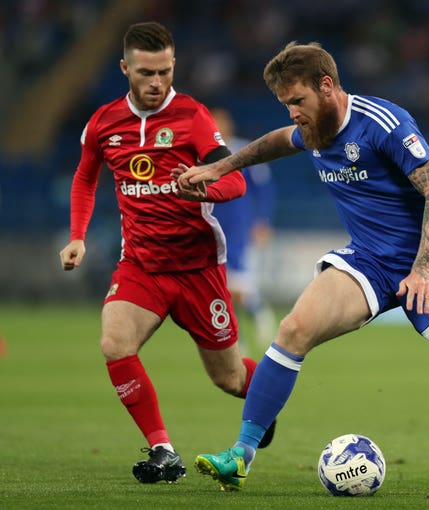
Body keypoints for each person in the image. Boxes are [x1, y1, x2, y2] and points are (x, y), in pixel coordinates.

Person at [173, 41, 429, 491]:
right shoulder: (313, 128)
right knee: (293, 329)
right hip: (368, 262)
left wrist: (421, 270)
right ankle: (241, 455)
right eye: (285, 105)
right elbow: (276, 143)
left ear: (327, 87)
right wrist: (221, 168)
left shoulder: (383, 124)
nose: (293, 114)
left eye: (297, 101)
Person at [58, 21, 274, 485]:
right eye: (145, 73)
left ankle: (268, 398)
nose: (157, 83)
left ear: (174, 66)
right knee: (115, 344)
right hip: (141, 265)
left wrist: (207, 183)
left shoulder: (194, 116)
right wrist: (77, 234)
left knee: (231, 379)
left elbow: (235, 179)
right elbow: (84, 177)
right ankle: (163, 452)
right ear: (125, 68)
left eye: (165, 72)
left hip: (198, 269)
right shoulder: (103, 123)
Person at [208, 107, 277, 348]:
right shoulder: (201, 155)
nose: (218, 126)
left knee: (237, 287)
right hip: (211, 228)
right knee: (218, 288)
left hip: (239, 228)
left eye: (221, 121)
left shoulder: (244, 151)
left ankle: (258, 317)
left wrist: (262, 221)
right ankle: (238, 338)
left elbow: (264, 189)